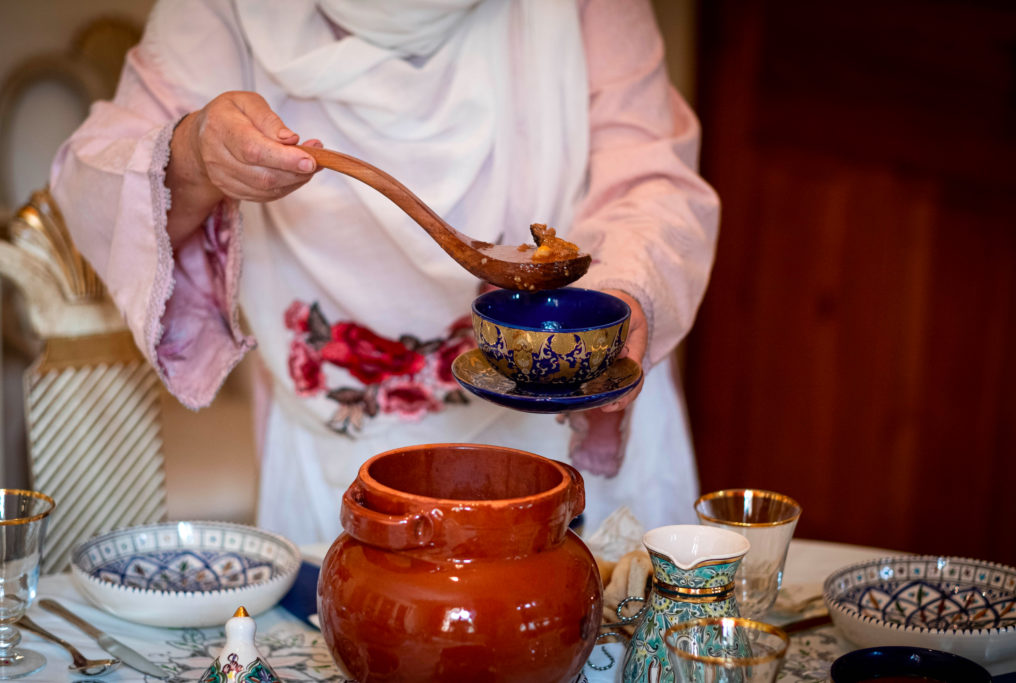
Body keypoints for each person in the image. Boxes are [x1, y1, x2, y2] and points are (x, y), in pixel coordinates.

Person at [50, 0, 719, 545]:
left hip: (565, 444)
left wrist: (619, 294)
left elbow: (651, 177)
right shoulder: (224, 10)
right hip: (346, 464)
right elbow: (91, 185)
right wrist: (195, 157)